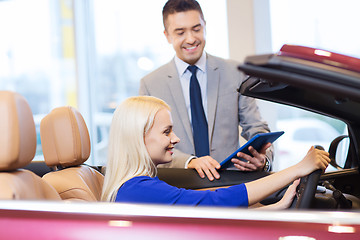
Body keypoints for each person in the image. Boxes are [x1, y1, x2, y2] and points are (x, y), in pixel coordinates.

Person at [101, 96, 330, 209]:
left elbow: (211, 217)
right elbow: (216, 202)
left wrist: (276, 208)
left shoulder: (139, 185)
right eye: (166, 132)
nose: (175, 139)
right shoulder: (139, 190)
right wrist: (298, 169)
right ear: (138, 138)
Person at [139, 0, 272, 181]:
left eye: (196, 29)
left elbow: (256, 127)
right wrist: (189, 161)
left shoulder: (236, 73)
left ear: (205, 26)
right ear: (167, 36)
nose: (191, 38)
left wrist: (263, 160)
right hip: (179, 184)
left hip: (230, 183)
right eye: (180, 32)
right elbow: (147, 145)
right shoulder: (151, 84)